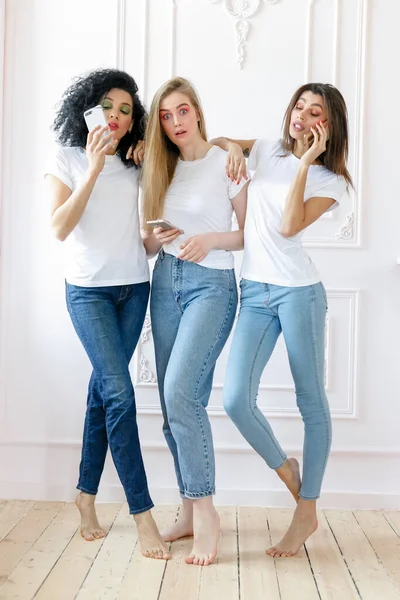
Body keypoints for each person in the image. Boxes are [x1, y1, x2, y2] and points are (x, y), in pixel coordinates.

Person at [212, 82, 353, 558]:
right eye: (300, 104)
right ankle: (286, 469)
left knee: (310, 400)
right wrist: (234, 147)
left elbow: (289, 225)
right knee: (234, 399)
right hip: (253, 291)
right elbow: (215, 143)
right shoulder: (269, 147)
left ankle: (306, 509)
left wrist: (305, 164)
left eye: (316, 111)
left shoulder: (332, 184)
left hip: (298, 294)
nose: (303, 114)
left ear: (328, 128)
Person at [45, 68, 170, 560]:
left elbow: (131, 236)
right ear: (89, 110)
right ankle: (143, 515)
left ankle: (85, 495)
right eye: (109, 107)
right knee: (120, 395)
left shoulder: (138, 161)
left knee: (104, 394)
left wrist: (151, 243)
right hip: (89, 295)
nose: (117, 117)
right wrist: (94, 168)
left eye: (126, 110)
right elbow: (59, 227)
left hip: (134, 288)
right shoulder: (69, 158)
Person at [141, 77, 249, 566]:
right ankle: (187, 510)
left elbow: (246, 236)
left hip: (212, 285)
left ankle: (206, 514)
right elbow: (145, 246)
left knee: (181, 391)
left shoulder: (226, 161)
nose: (176, 122)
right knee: (172, 404)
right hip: (166, 282)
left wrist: (208, 240)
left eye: (182, 111)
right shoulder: (160, 170)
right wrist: (158, 236)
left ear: (198, 112)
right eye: (166, 116)